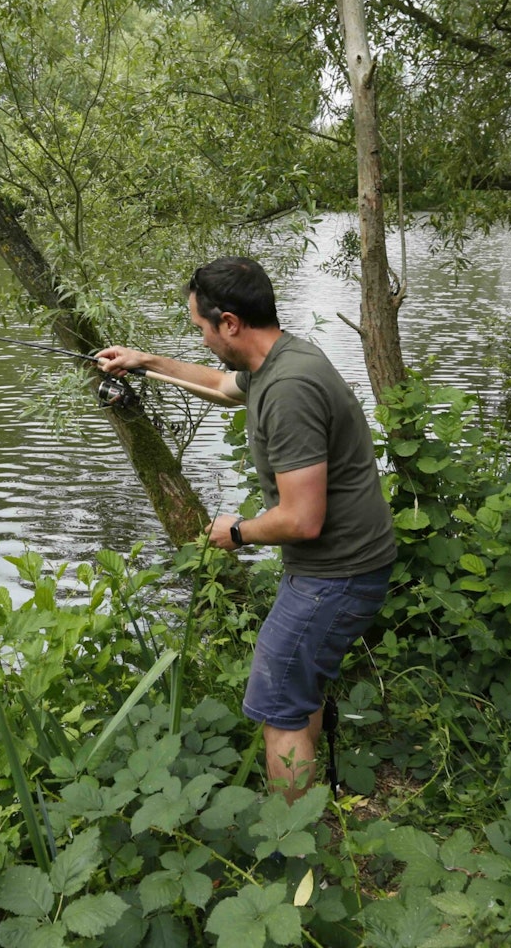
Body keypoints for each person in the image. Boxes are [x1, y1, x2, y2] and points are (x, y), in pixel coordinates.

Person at [96, 256, 396, 801]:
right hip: (339, 567)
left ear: (229, 323)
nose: (204, 340)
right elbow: (220, 385)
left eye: (202, 328)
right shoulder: (280, 360)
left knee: (277, 703)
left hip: (339, 573)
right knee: (293, 691)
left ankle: (295, 839)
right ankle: (311, 818)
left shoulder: (289, 391)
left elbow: (302, 520)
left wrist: (236, 532)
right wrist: (144, 362)